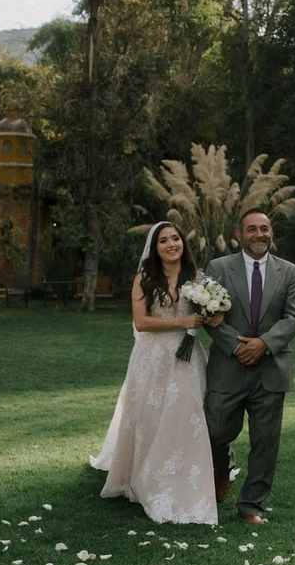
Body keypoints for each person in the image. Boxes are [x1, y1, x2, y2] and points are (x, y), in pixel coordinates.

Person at [90, 222, 223, 525]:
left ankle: (186, 472)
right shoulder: (144, 278)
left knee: (187, 414)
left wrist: (215, 313)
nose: (171, 244)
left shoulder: (196, 277)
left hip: (188, 357)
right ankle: (146, 473)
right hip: (152, 357)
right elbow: (141, 322)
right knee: (151, 416)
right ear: (155, 248)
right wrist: (181, 322)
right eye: (164, 240)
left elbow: (207, 313)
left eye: (176, 238)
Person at [204, 209, 295, 525]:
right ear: (239, 235)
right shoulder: (218, 268)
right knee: (215, 430)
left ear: (272, 232)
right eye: (252, 229)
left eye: (265, 228)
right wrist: (238, 346)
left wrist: (263, 344)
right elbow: (207, 314)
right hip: (227, 367)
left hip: (271, 369)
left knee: (265, 441)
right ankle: (222, 467)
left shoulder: (289, 271)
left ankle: (251, 505)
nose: (259, 234)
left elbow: (294, 317)